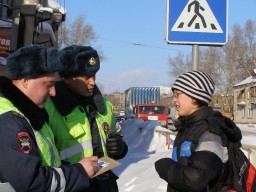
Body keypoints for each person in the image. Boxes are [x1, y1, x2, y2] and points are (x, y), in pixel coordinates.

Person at [0, 44, 99, 192]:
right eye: (49, 84)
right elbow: (32, 183)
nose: (53, 92)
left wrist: (74, 168)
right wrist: (80, 171)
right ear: (25, 81)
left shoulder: (29, 115)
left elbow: (47, 163)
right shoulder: (9, 121)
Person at [44, 45, 128, 192]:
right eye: (86, 77)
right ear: (67, 78)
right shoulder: (49, 108)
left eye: (94, 75)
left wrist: (120, 147)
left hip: (106, 185)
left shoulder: (105, 106)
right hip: (72, 186)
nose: (93, 82)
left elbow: (117, 134)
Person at [154, 71, 242, 192]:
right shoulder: (188, 127)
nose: (174, 100)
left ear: (194, 97)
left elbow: (196, 179)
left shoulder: (211, 132)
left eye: (177, 94)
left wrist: (167, 169)